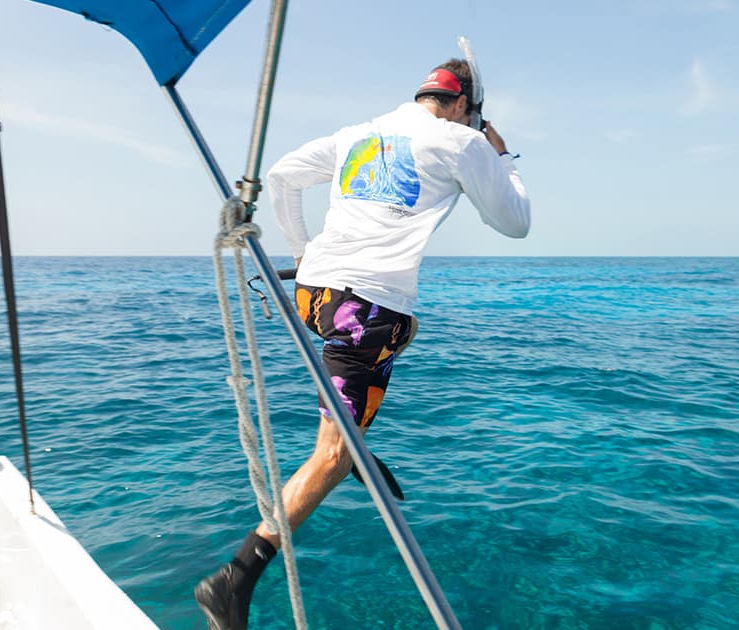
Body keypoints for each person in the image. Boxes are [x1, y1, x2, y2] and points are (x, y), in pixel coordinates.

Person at [195, 57, 531, 629]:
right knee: (333, 452)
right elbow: (516, 222)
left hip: (315, 298)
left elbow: (280, 177)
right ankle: (235, 578)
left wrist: (302, 252)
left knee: (403, 329)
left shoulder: (359, 132)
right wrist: (501, 155)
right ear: (463, 108)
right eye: (472, 118)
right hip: (366, 313)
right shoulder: (463, 141)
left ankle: (351, 420)